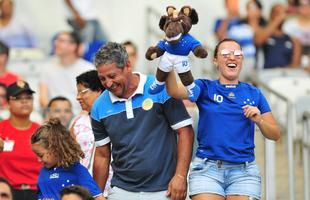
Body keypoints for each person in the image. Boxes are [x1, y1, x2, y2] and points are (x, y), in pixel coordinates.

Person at [166, 38, 281, 200]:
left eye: (237, 54)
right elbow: (174, 90)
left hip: (244, 171)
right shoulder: (204, 87)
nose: (232, 57)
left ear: (242, 60)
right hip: (207, 170)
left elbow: (275, 134)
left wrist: (259, 120)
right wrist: (168, 60)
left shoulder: (254, 93)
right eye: (225, 54)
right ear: (215, 61)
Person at [91, 42, 194, 200]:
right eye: (102, 78)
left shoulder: (160, 88)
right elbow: (102, 155)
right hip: (121, 190)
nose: (108, 83)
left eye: (112, 76)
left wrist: (180, 177)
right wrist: (96, 195)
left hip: (165, 189)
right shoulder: (98, 106)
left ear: (128, 65)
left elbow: (185, 131)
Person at [31, 118, 105, 200]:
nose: (38, 159)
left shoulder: (77, 170)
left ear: (55, 149)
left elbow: (99, 198)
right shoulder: (43, 172)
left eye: (41, 155)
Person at [70, 70, 112, 197]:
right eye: (77, 93)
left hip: (115, 188)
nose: (78, 97)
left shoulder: (116, 117)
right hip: (84, 191)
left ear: (99, 91)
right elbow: (70, 157)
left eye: (82, 92)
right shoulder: (77, 123)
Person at [0, 80, 41, 200]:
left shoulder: (42, 132)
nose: (24, 101)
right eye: (18, 98)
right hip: (7, 193)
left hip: (38, 192)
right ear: (7, 103)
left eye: (28, 97)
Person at [39, 31, 94, 115]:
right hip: (53, 116)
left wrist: (78, 121)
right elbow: (43, 98)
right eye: (56, 40)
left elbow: (91, 100)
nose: (56, 43)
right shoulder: (47, 67)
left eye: (61, 41)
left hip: (80, 115)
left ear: (73, 46)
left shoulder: (88, 68)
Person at [258, 4, 301, 69]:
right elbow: (258, 41)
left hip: (285, 75)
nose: (280, 15)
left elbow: (296, 63)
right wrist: (278, 19)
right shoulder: (263, 33)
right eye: (276, 12)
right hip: (266, 74)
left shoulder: (293, 40)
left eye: (282, 13)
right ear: (271, 14)